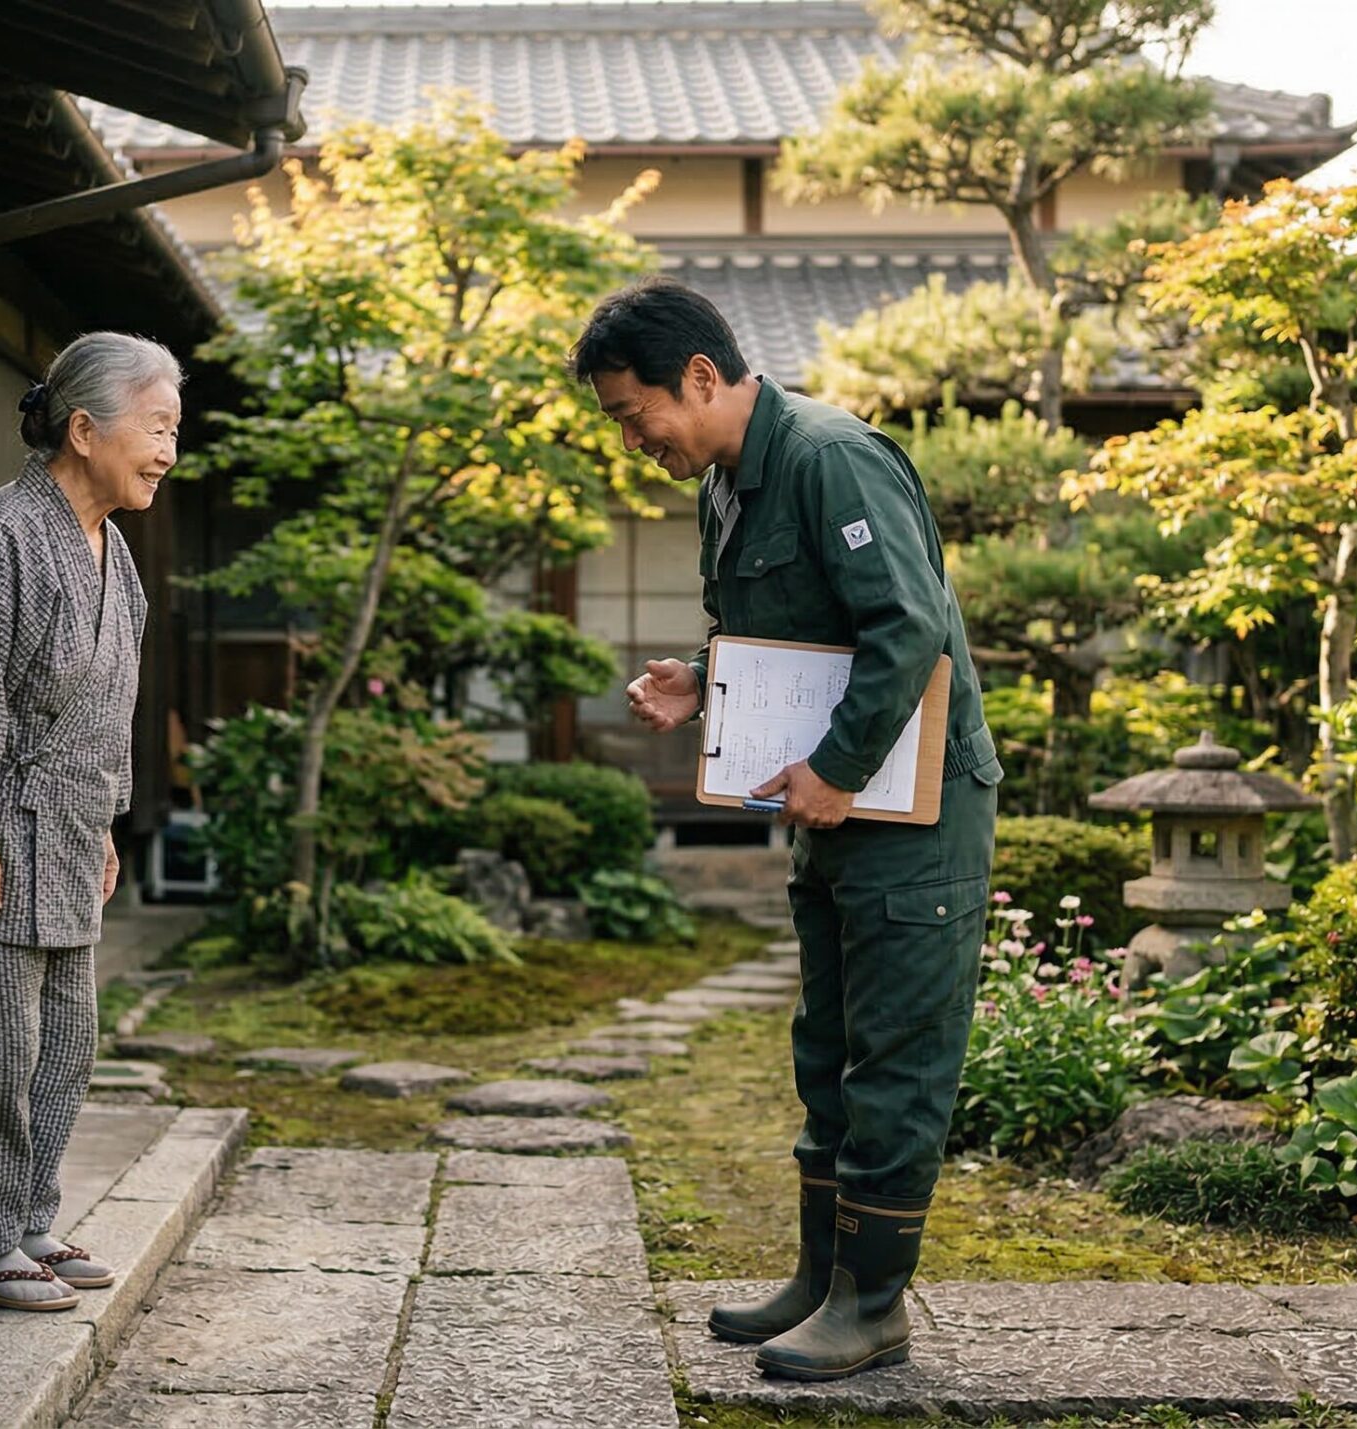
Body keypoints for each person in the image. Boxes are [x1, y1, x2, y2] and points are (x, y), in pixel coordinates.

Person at [571, 279, 1002, 1380]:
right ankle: (822, 1276)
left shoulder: (828, 456)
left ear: (702, 378)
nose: (633, 440)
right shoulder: (725, 482)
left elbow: (904, 628)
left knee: (896, 1058)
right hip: (833, 806)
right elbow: (798, 635)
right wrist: (703, 676)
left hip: (910, 811)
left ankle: (873, 1304)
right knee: (828, 1049)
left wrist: (837, 766)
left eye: (633, 414)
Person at [0, 332, 181, 1312]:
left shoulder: (111, 549)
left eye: (174, 429)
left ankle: (26, 1220)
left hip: (63, 830)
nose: (168, 448)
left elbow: (103, 706)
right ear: (85, 427)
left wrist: (100, 824)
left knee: (60, 1042)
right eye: (157, 425)